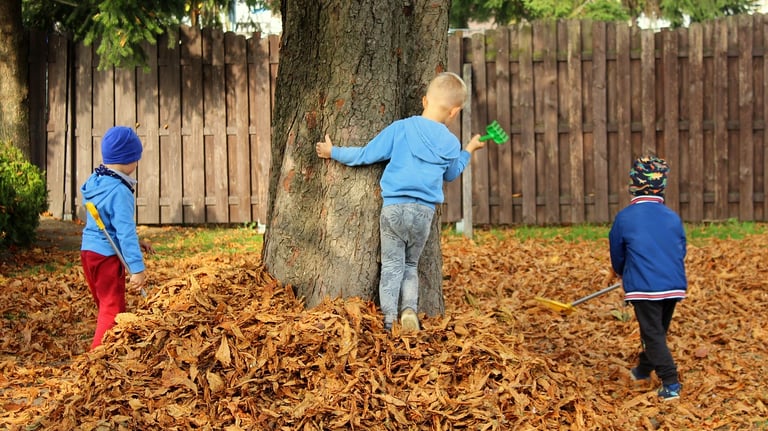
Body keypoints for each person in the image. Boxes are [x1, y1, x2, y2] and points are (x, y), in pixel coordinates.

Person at [316, 72, 486, 332]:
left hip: (395, 208)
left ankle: (388, 321)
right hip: (423, 214)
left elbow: (366, 154)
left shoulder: (402, 128)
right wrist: (468, 150)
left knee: (393, 266)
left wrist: (333, 152)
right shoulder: (451, 143)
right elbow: (451, 174)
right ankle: (410, 310)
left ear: (425, 100)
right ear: (454, 112)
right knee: (410, 265)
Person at [608, 155, 687, 401]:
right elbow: (680, 248)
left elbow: (617, 251)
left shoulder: (626, 217)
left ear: (633, 184)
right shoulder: (672, 217)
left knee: (652, 334)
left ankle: (671, 382)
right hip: (672, 284)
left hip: (645, 287)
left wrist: (621, 271)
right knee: (656, 332)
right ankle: (643, 369)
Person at [80, 126, 155, 350]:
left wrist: (137, 242)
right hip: (106, 257)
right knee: (112, 309)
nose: (137, 163)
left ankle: (114, 348)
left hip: (89, 253)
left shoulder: (97, 180)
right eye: (136, 158)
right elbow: (124, 232)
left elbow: (108, 222)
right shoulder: (120, 191)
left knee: (105, 304)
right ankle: (98, 357)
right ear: (127, 159)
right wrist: (137, 269)